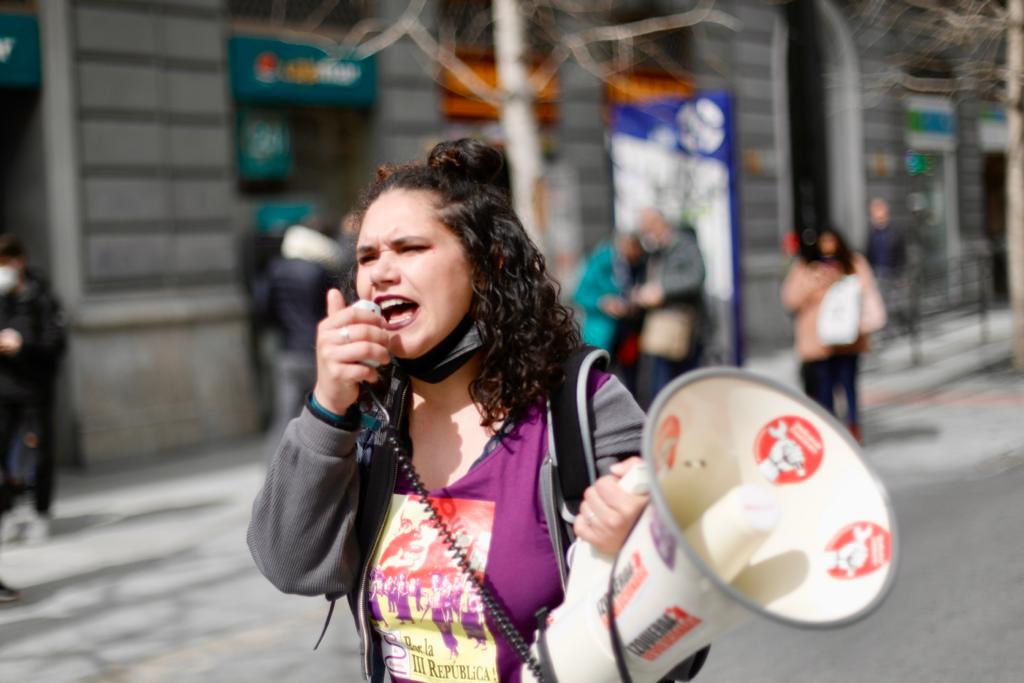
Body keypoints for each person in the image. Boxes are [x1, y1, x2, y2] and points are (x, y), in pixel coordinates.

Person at [247, 140, 669, 682]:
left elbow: (677, 645)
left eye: (410, 249)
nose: (381, 273)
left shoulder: (579, 409)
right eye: (367, 256)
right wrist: (328, 409)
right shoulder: (371, 423)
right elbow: (290, 565)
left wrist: (639, 547)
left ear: (486, 261)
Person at [781, 227, 882, 444]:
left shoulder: (852, 263)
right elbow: (790, 299)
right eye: (823, 241)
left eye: (832, 241)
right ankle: (830, 433)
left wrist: (843, 282)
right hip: (818, 342)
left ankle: (853, 427)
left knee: (848, 386)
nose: (828, 246)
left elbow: (866, 290)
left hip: (848, 339)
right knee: (823, 389)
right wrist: (815, 281)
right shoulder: (806, 267)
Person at [0, 235, 66, 546]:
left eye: (4, 263)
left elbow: (55, 344)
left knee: (38, 453)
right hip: (3, 389)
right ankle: (9, 511)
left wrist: (23, 346)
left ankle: (40, 512)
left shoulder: (41, 297)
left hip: (35, 390)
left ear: (18, 261)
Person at [258, 221, 343, 452]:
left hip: (288, 351)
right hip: (317, 351)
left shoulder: (276, 269)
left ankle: (276, 470)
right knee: (324, 414)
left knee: (285, 414)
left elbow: (264, 308)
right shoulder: (321, 270)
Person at [631, 208, 707, 408]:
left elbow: (696, 276)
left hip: (681, 326)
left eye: (648, 227)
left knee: (678, 385)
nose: (647, 233)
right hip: (659, 327)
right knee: (659, 386)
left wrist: (662, 290)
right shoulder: (655, 253)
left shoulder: (684, 245)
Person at [573, 230, 645, 397]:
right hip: (603, 331)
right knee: (601, 380)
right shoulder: (602, 262)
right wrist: (603, 302)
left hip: (629, 332)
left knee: (631, 378)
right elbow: (580, 294)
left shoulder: (638, 264)